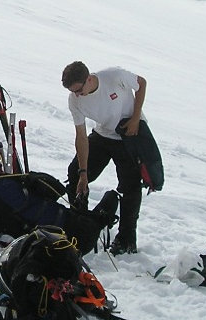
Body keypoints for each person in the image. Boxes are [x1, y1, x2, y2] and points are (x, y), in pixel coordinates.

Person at [60, 61, 153, 255]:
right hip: (103, 135)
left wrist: (136, 118)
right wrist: (83, 172)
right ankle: (80, 225)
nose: (77, 95)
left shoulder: (114, 76)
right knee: (75, 174)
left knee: (131, 187)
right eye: (73, 92)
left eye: (79, 90)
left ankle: (126, 240)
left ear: (89, 79)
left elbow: (142, 83)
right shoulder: (74, 100)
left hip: (129, 133)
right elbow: (81, 137)